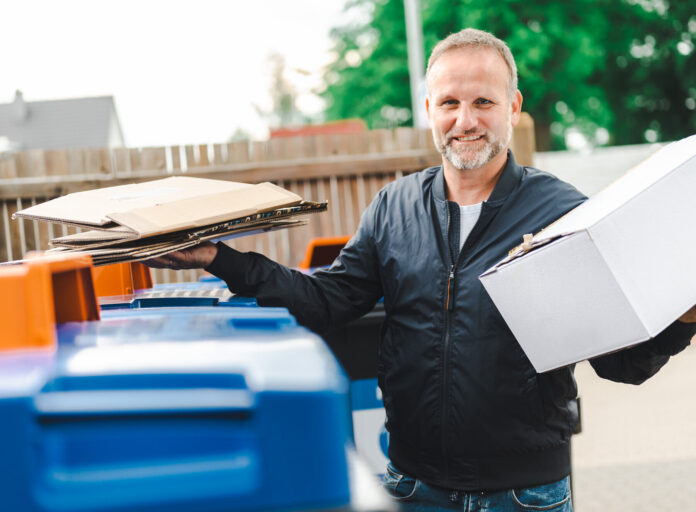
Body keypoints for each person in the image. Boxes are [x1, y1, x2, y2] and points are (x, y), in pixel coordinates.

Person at [147, 28, 696, 511]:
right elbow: (328, 301)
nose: (466, 120)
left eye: (483, 101)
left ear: (512, 106)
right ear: (429, 107)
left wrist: (684, 317)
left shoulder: (562, 213)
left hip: (526, 494)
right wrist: (221, 260)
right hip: (414, 487)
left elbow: (619, 361)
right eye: (450, 102)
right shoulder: (394, 207)